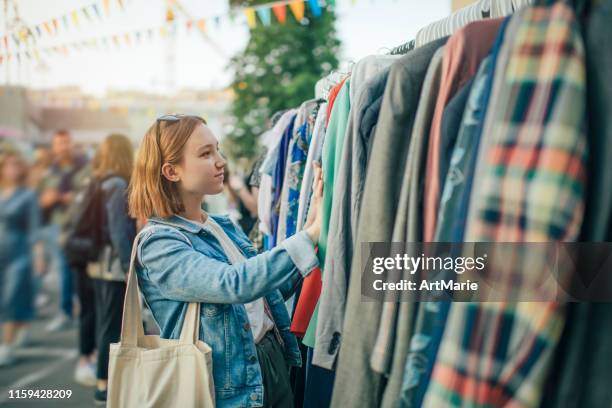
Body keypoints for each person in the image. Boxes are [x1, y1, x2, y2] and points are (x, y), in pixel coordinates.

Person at [128, 115, 323, 407]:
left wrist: (313, 234)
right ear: (171, 171)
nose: (220, 161)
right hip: (226, 387)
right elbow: (233, 284)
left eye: (217, 149)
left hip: (270, 363)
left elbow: (268, 293)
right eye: (205, 154)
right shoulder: (158, 243)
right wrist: (307, 238)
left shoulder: (222, 225)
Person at [39, 130, 96, 385]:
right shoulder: (50, 170)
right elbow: (40, 198)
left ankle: (75, 313)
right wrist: (46, 200)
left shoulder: (85, 167)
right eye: (58, 143)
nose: (62, 147)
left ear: (72, 144)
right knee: (63, 271)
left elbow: (89, 195)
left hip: (80, 230)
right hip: (57, 227)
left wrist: (62, 197)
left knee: (75, 273)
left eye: (65, 142)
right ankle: (66, 310)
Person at [86, 134, 136, 405]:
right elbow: (118, 229)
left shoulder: (100, 180)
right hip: (112, 264)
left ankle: (104, 379)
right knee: (110, 324)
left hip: (99, 261)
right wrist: (128, 265)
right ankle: (104, 384)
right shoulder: (117, 184)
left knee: (105, 322)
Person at [0, 149, 45, 367]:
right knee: (5, 297)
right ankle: (20, 326)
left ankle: (6, 347)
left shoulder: (28, 195)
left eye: (17, 164)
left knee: (12, 296)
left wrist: (38, 257)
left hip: (19, 253)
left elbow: (34, 229)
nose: (13, 169)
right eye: (9, 164)